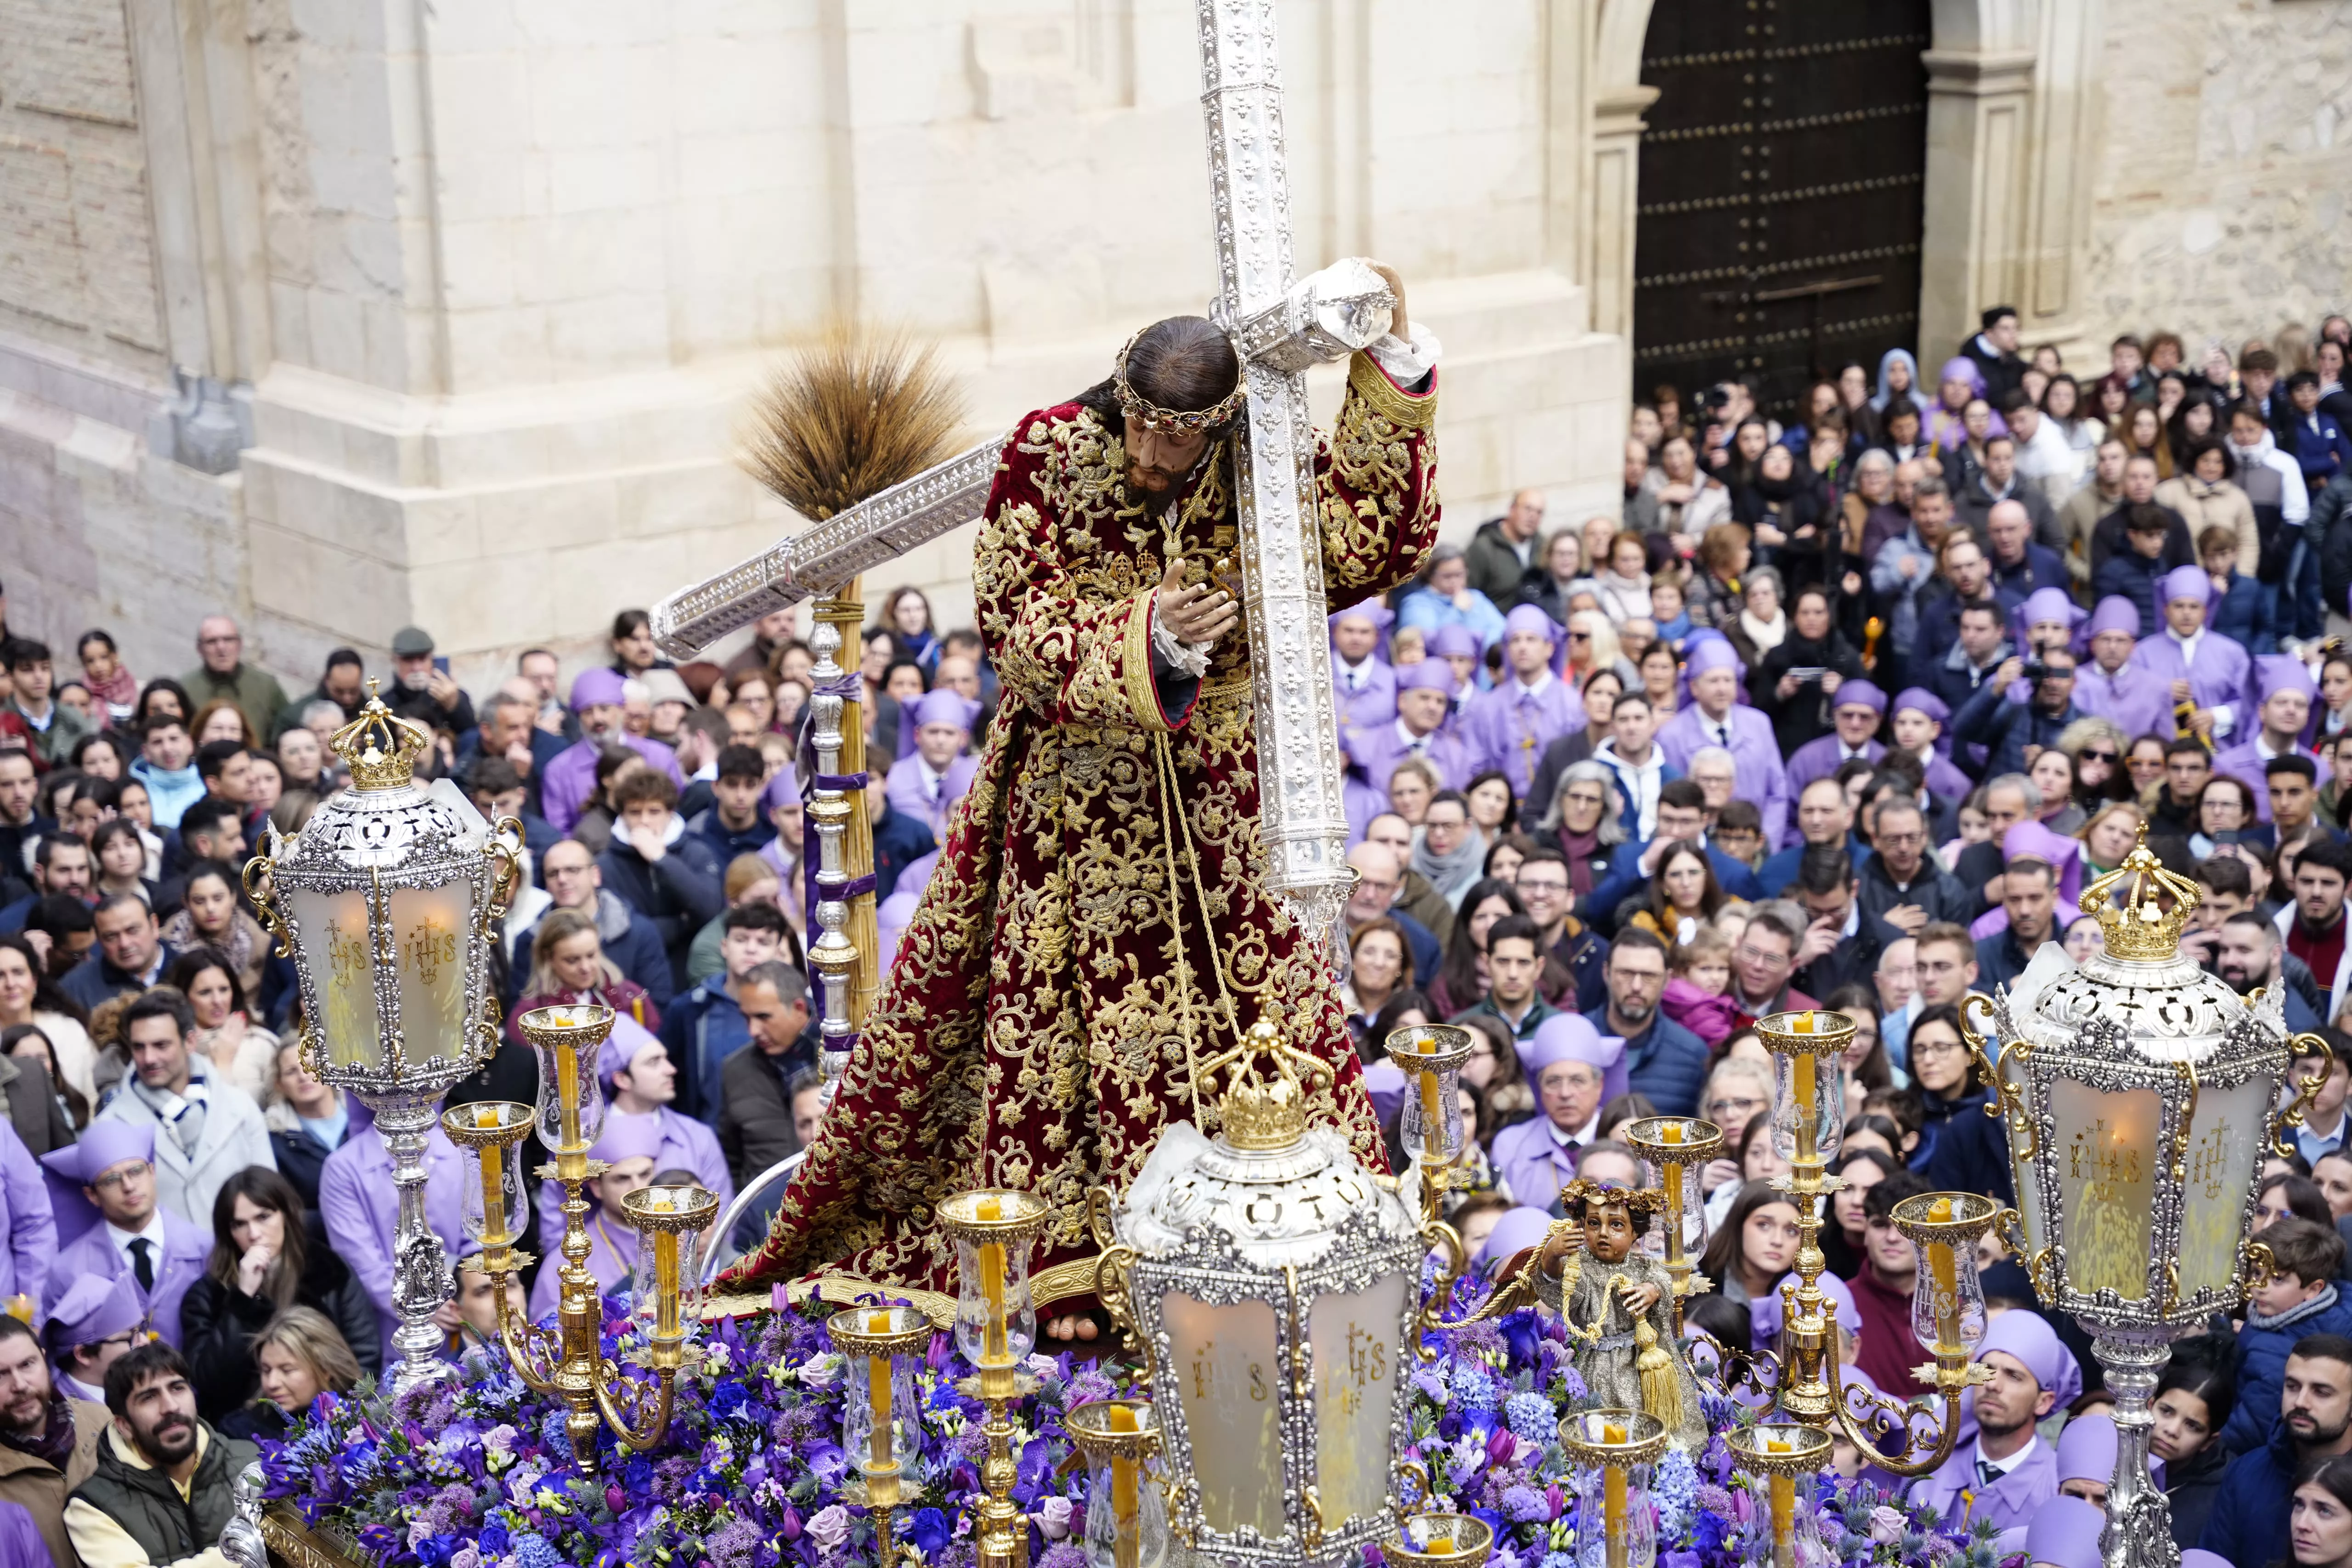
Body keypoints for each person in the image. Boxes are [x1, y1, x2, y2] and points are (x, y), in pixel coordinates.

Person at [176, 1167, 375, 1423]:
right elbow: (209, 1382)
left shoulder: (328, 1268)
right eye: (240, 1224)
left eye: (263, 1217)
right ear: (228, 1232)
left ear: (286, 1216)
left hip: (330, 1422)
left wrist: (342, 1421)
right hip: (246, 1431)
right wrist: (242, 1299)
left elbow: (364, 1354)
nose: (254, 1234)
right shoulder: (207, 1294)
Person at [62, 1341, 255, 1568]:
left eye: (177, 1388)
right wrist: (244, 1549)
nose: (170, 1406)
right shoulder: (91, 1507)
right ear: (124, 1426)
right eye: (149, 1398)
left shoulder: (252, 1464)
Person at [96, 988, 273, 1225]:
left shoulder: (240, 1106)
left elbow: (269, 1196)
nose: (149, 1058)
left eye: (161, 1045)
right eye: (139, 1047)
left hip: (241, 1257)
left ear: (190, 1042)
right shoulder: (109, 1126)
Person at [318, 1101, 465, 1365]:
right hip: (392, 1324)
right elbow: (361, 1261)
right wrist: (420, 1308)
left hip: (464, 1313)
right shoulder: (343, 1167)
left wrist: (467, 1295)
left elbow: (476, 1234)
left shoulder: (457, 1149)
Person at [39, 1121, 206, 1346]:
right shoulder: (68, 1272)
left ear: (152, 1172)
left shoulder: (205, 1248)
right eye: (111, 1180)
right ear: (92, 1195)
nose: (128, 1186)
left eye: (136, 1171)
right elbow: (64, 1362)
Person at [1907, 1309, 2075, 1532]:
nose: (1993, 1384)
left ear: (2043, 1402)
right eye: (1987, 1370)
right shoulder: (1928, 1460)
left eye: (2014, 1376)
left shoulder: (2060, 1486)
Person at [2203, 1336, 2352, 1568]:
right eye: (2292, 1387)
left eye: (2321, 1392)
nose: (2301, 1402)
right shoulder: (2246, 1473)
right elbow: (2212, 1560)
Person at [2221, 1216, 2352, 1456]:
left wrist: (2216, 1445)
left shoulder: (2275, 1350)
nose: (2260, 1286)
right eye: (2257, 1273)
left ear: (2313, 1289)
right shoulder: (2340, 1302)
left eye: (2278, 1279)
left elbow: (2252, 1429)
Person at [507, 838, 676, 1009]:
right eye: (553, 873)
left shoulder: (640, 932)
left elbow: (657, 1004)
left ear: (595, 875)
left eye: (572, 870)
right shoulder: (530, 941)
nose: (562, 879)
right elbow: (520, 1012)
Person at [660, 901, 789, 1123]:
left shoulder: (796, 1009)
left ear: (778, 953)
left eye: (763, 942)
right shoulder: (689, 1009)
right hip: (710, 1139)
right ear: (724, 946)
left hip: (776, 1138)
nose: (751, 949)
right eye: (741, 939)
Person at [522, 1113, 662, 1319]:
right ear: (597, 1187)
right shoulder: (569, 1262)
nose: (638, 1188)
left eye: (645, 1174)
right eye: (622, 1179)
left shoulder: (683, 1236)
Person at [1657, 638, 1791, 851]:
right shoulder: (1671, 736)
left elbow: (1777, 790)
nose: (1722, 689)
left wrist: (1765, 844)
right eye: (1713, 681)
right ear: (1694, 686)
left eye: (1728, 680)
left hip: (1754, 843)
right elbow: (1674, 800)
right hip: (1698, 849)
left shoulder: (1758, 724)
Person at [0, 1306, 108, 1568]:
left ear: (44, 1360)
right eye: (1, 1375)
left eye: (27, 1365)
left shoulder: (104, 1423)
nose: (20, 1385)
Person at [1488, 1013, 1625, 1212]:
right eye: (1553, 1082)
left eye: (1577, 1081)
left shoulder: (1623, 1142)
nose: (1565, 1093)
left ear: (1599, 1086)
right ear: (1539, 1088)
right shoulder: (1510, 1146)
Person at [1587, 928, 1707, 1115]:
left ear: (1667, 980)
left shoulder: (1693, 1055)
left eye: (1649, 976)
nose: (1636, 986)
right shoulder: (1576, 1040)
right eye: (1626, 973)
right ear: (1606, 973)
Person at [219, 1305, 363, 1442]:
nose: (272, 1383)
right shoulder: (239, 1431)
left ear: (325, 1369)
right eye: (266, 1370)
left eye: (287, 1370)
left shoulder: (360, 1424)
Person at [2153, 1338, 2238, 1550]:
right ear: (2150, 1406)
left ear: (2209, 1441)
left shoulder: (2219, 1495)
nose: (2172, 1430)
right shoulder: (2113, 1454)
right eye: (2166, 1412)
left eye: (2192, 1426)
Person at [1447, 916, 1558, 1046]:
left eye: (1523, 963)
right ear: (1486, 964)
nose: (1513, 974)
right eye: (1503, 962)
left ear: (1539, 967)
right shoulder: (1460, 1032)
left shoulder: (1562, 1028)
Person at [177, 617, 287, 747]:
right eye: (212, 642)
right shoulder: (185, 689)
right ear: (200, 649)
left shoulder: (266, 686)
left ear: (239, 645)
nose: (221, 648)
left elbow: (286, 730)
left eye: (228, 640)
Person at [58, 895, 174, 1013]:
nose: (124, 944)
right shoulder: (76, 989)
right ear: (99, 940)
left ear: (154, 926)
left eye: (132, 931)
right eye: (111, 937)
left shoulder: (188, 971)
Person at [2281, 839, 2352, 1024]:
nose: (2316, 892)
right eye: (2307, 881)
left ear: (2348, 887)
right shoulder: (2269, 932)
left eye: (2328, 883)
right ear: (2293, 883)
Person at [1464, 491, 1549, 605]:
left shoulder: (1543, 546)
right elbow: (1468, 594)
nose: (1533, 516)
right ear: (1512, 509)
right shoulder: (1484, 548)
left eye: (1539, 512)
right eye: (1528, 509)